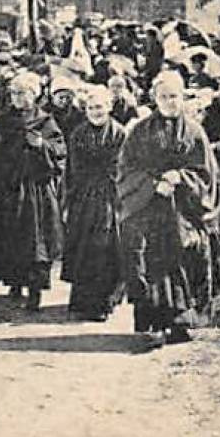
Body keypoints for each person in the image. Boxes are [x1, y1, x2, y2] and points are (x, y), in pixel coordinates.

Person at [117, 70, 220, 347]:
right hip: (149, 207)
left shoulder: (194, 132)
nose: (169, 102)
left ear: (182, 97)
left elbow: (207, 173)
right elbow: (126, 170)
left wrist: (181, 178)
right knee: (150, 261)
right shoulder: (139, 132)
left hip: (183, 209)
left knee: (185, 255)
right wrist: (153, 185)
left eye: (174, 96)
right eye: (163, 97)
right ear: (154, 99)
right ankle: (154, 323)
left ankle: (181, 322)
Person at [0, 70, 67, 312]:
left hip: (35, 193)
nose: (17, 98)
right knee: (8, 238)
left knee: (34, 243)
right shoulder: (3, 122)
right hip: (5, 192)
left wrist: (42, 145)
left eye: (22, 93)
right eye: (14, 93)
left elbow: (60, 153)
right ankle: (14, 285)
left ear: (34, 94)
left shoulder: (45, 122)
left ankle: (34, 293)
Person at [62, 85, 128, 322]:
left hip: (111, 196)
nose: (95, 112)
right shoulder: (78, 134)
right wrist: (69, 199)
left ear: (109, 108)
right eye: (90, 108)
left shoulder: (120, 134)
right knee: (83, 246)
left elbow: (122, 167)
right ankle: (82, 299)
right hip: (84, 197)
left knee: (107, 247)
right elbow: (72, 169)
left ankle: (105, 301)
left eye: (99, 107)